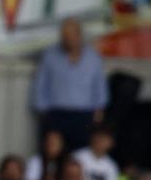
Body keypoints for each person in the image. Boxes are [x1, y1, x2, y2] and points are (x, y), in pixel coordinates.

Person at [30, 17, 107, 151]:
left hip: (84, 114)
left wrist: (99, 107)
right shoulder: (50, 55)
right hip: (56, 113)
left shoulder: (93, 57)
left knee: (81, 153)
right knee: (53, 153)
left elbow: (99, 84)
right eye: (64, 36)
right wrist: (43, 110)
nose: (66, 39)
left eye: (70, 35)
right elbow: (40, 84)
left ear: (79, 35)